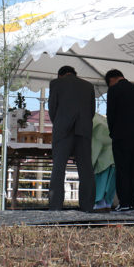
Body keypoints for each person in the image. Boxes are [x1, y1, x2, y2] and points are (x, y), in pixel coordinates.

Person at [48, 66, 96, 212]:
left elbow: (52, 108)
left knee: (58, 168)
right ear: (75, 73)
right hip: (83, 130)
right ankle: (87, 206)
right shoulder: (88, 86)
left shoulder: (56, 83)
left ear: (60, 75)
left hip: (63, 130)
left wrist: (59, 123)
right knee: (86, 169)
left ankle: (55, 206)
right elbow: (91, 110)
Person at [104, 69, 134, 212]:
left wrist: (112, 132)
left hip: (121, 135)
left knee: (122, 169)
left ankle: (125, 202)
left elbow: (110, 114)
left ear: (111, 80)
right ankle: (133, 201)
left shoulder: (114, 90)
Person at [91, 113, 117, 211]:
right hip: (114, 156)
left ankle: (99, 202)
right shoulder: (101, 120)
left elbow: (95, 146)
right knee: (110, 183)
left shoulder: (95, 123)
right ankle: (107, 202)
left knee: (101, 181)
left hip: (103, 159)